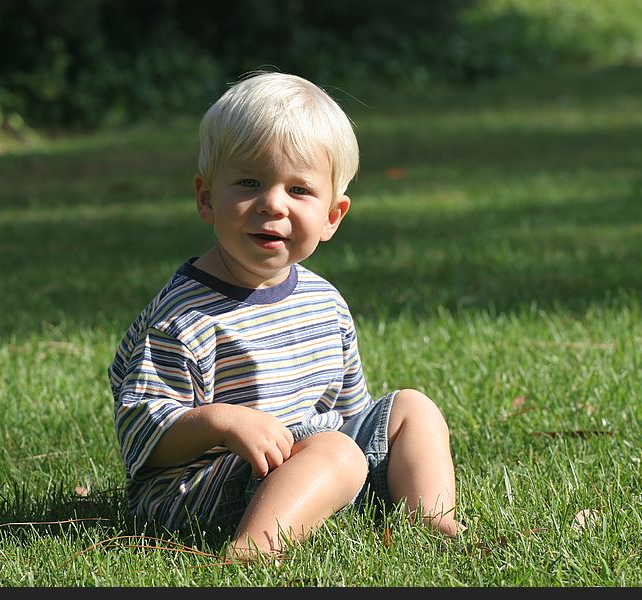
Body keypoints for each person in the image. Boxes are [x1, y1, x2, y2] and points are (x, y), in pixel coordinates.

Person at [108, 71, 461, 560]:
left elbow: (349, 414)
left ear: (332, 217)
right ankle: (255, 546)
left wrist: (345, 452)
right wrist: (220, 422)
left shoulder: (324, 301)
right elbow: (144, 438)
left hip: (311, 459)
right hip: (204, 487)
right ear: (207, 197)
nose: (272, 203)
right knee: (336, 452)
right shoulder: (181, 317)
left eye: (299, 190)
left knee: (411, 408)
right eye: (249, 182)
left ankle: (432, 516)